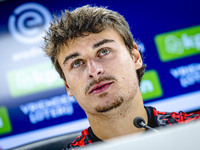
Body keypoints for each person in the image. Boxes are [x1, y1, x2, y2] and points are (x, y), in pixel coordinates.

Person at [43, 5, 200, 149]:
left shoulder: (195, 131)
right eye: (77, 63)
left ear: (135, 57)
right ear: (67, 86)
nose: (94, 70)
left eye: (104, 51)